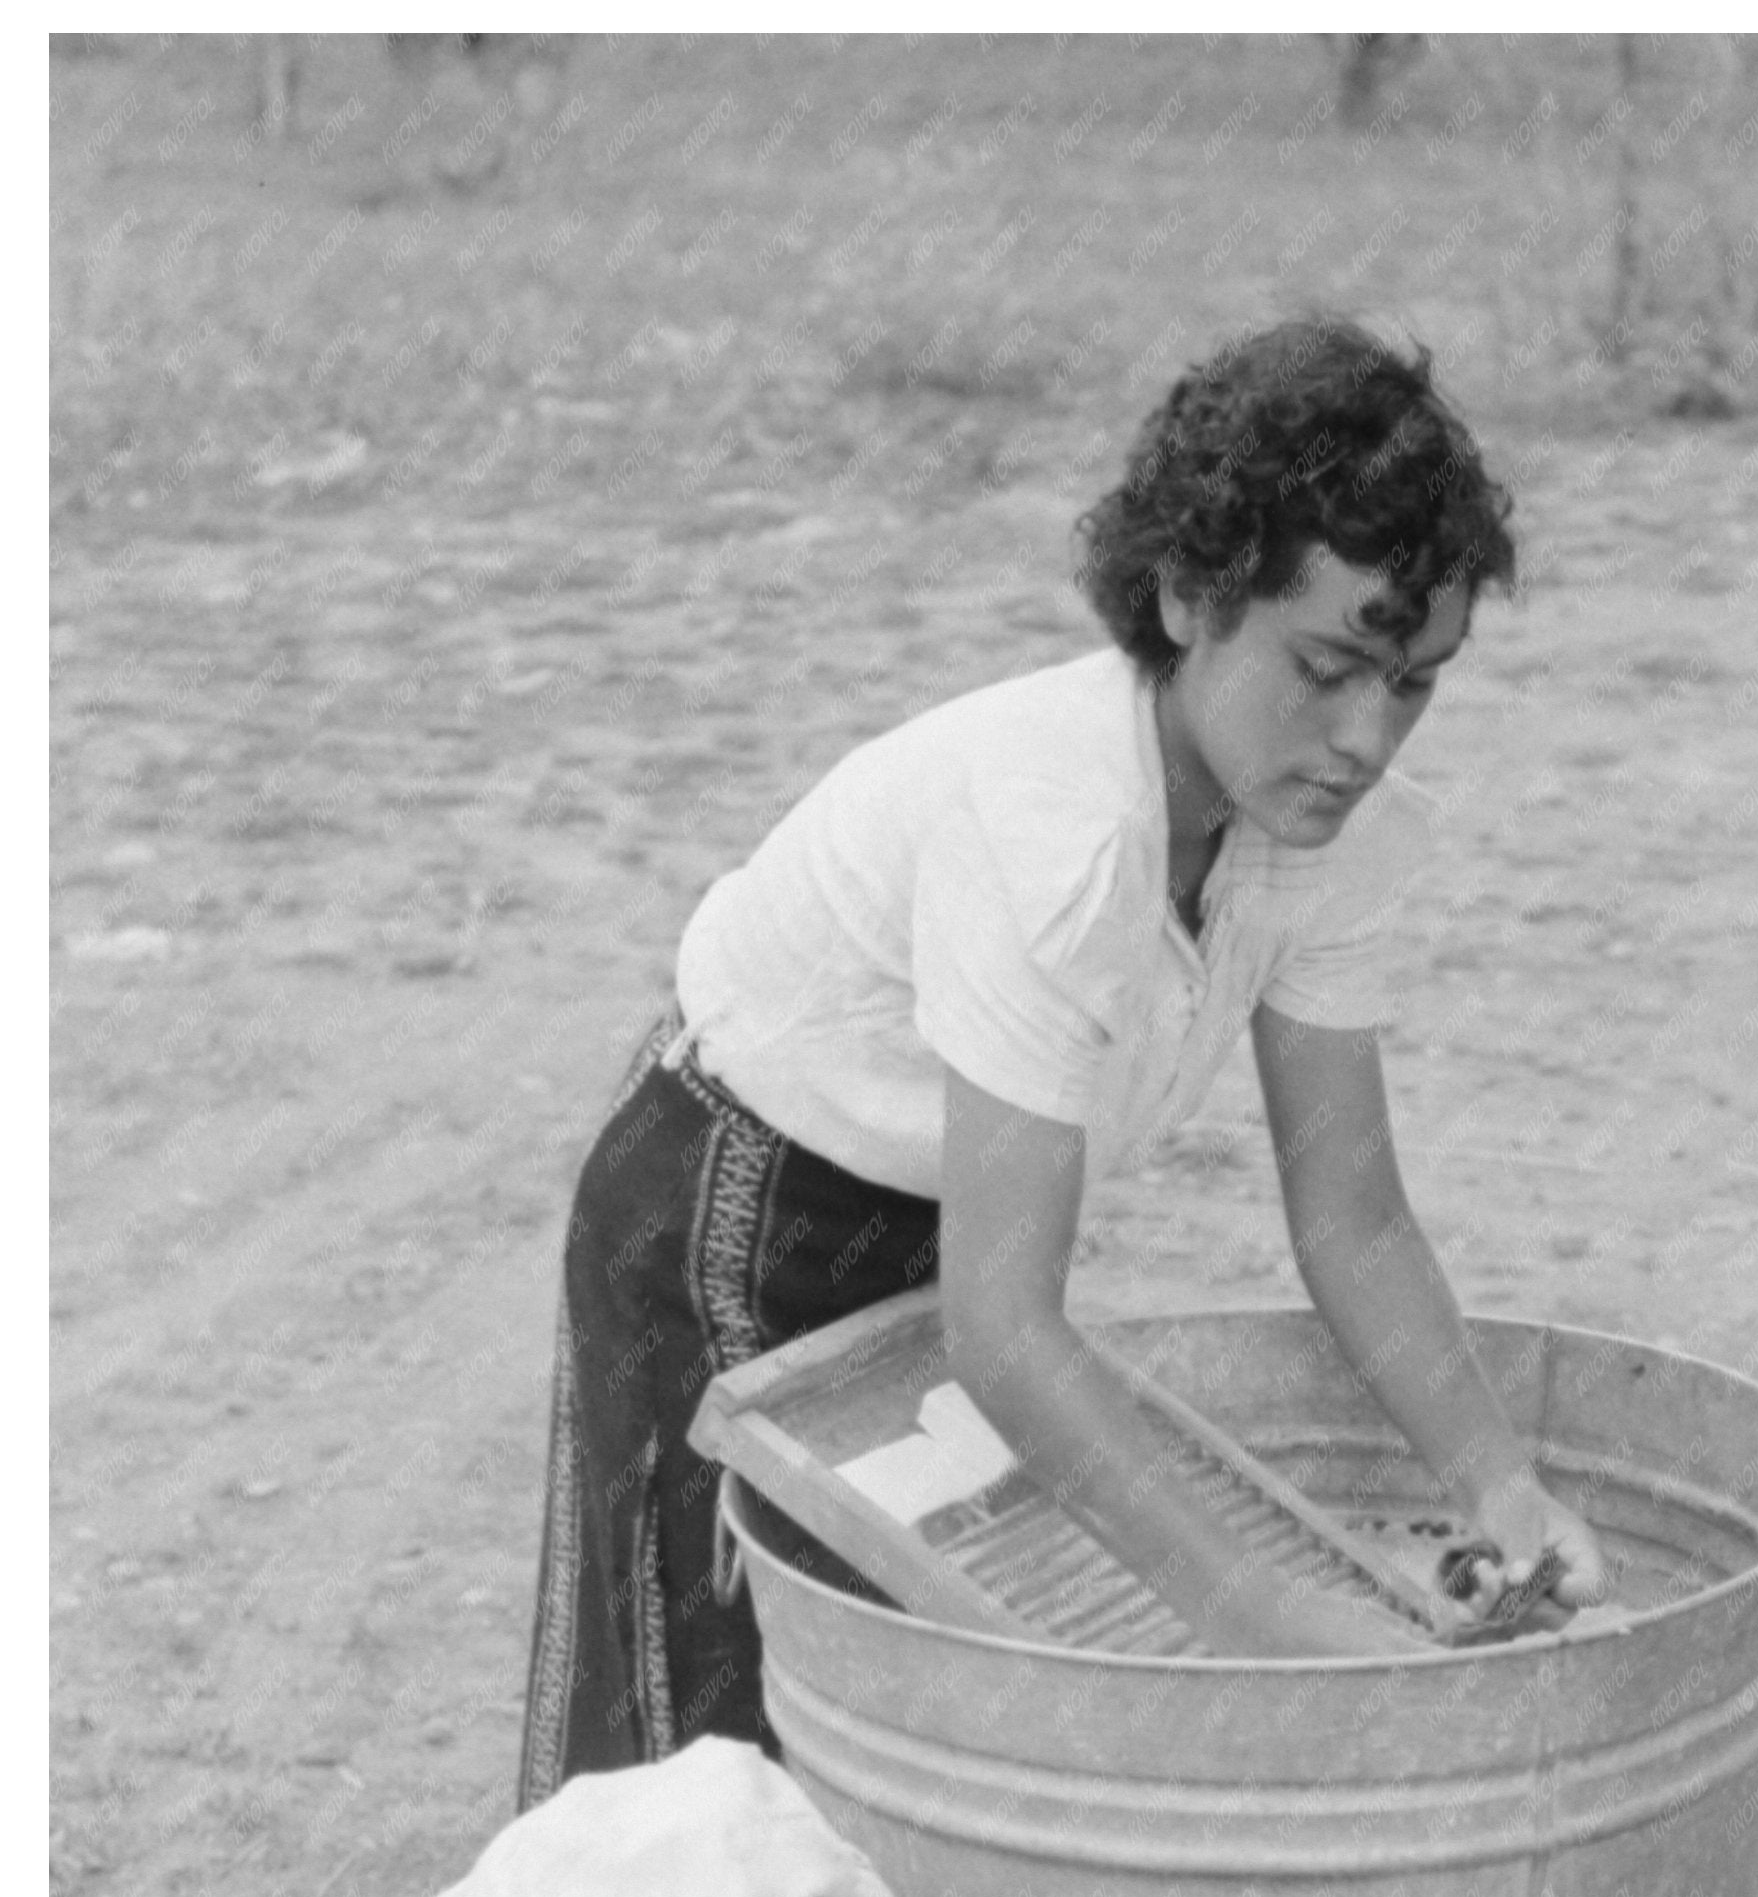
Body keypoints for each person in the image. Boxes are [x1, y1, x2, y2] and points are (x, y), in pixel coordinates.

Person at [518, 315, 1611, 1807]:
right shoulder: (1057, 832)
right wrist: (1258, 1620)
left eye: (1413, 682)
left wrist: (1500, 1479)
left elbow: (1352, 1219)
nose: (1367, 737)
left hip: (934, 1221)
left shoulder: (1317, 833)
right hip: (730, 1208)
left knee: (904, 1725)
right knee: (695, 1757)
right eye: (1327, 666)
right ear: (1186, 597)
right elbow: (1008, 1328)